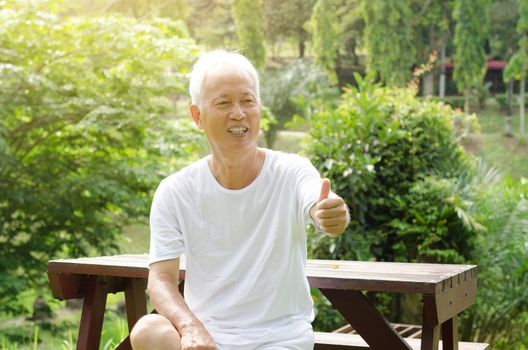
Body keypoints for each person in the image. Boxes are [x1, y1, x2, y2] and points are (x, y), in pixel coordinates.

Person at [130, 50, 349, 350]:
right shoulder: (175, 191)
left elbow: (318, 200)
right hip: (207, 339)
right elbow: (161, 280)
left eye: (248, 101)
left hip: (279, 340)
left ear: (259, 107)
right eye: (223, 103)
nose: (238, 113)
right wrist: (191, 329)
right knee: (148, 330)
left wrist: (330, 213)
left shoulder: (292, 171)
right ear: (197, 116)